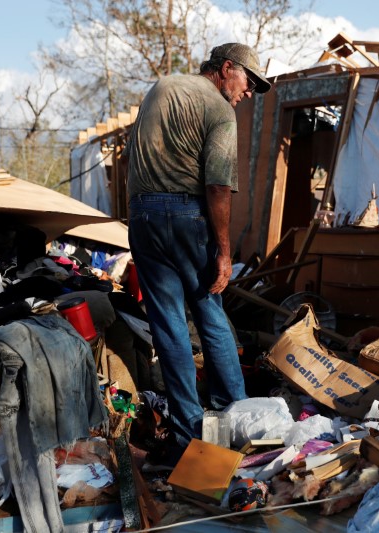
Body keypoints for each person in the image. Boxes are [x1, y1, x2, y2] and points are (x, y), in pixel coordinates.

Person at [125, 43, 271, 466]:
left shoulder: (162, 87)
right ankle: (235, 416)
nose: (248, 94)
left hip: (143, 217)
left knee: (169, 326)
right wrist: (224, 252)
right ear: (227, 69)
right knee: (210, 313)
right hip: (186, 216)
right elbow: (218, 187)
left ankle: (189, 433)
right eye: (248, 82)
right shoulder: (219, 110)